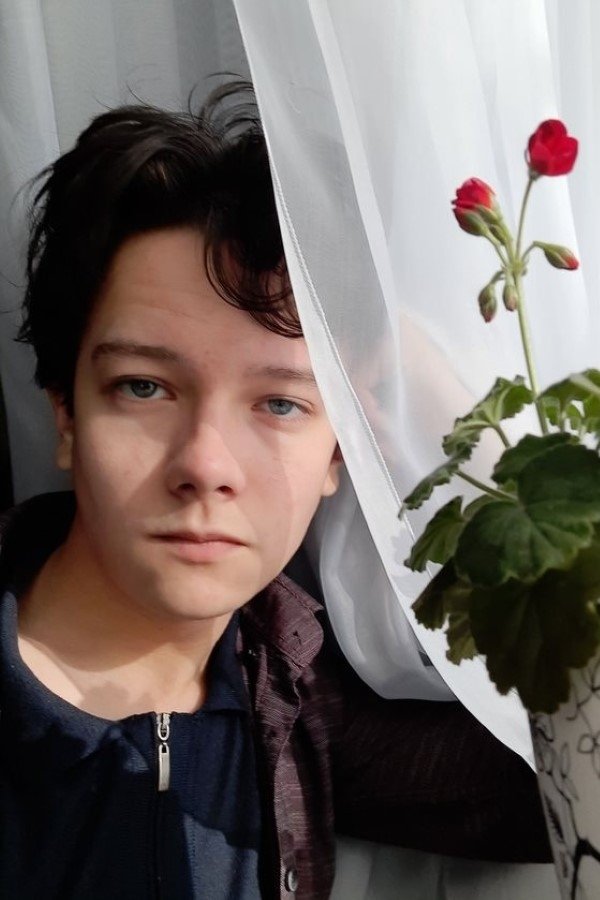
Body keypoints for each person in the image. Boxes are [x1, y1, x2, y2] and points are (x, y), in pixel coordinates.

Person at [0, 82, 551, 899]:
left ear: (340, 454)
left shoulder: (291, 698)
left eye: (281, 403)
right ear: (66, 414)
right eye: (144, 387)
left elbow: (558, 789)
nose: (206, 463)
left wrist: (421, 383)